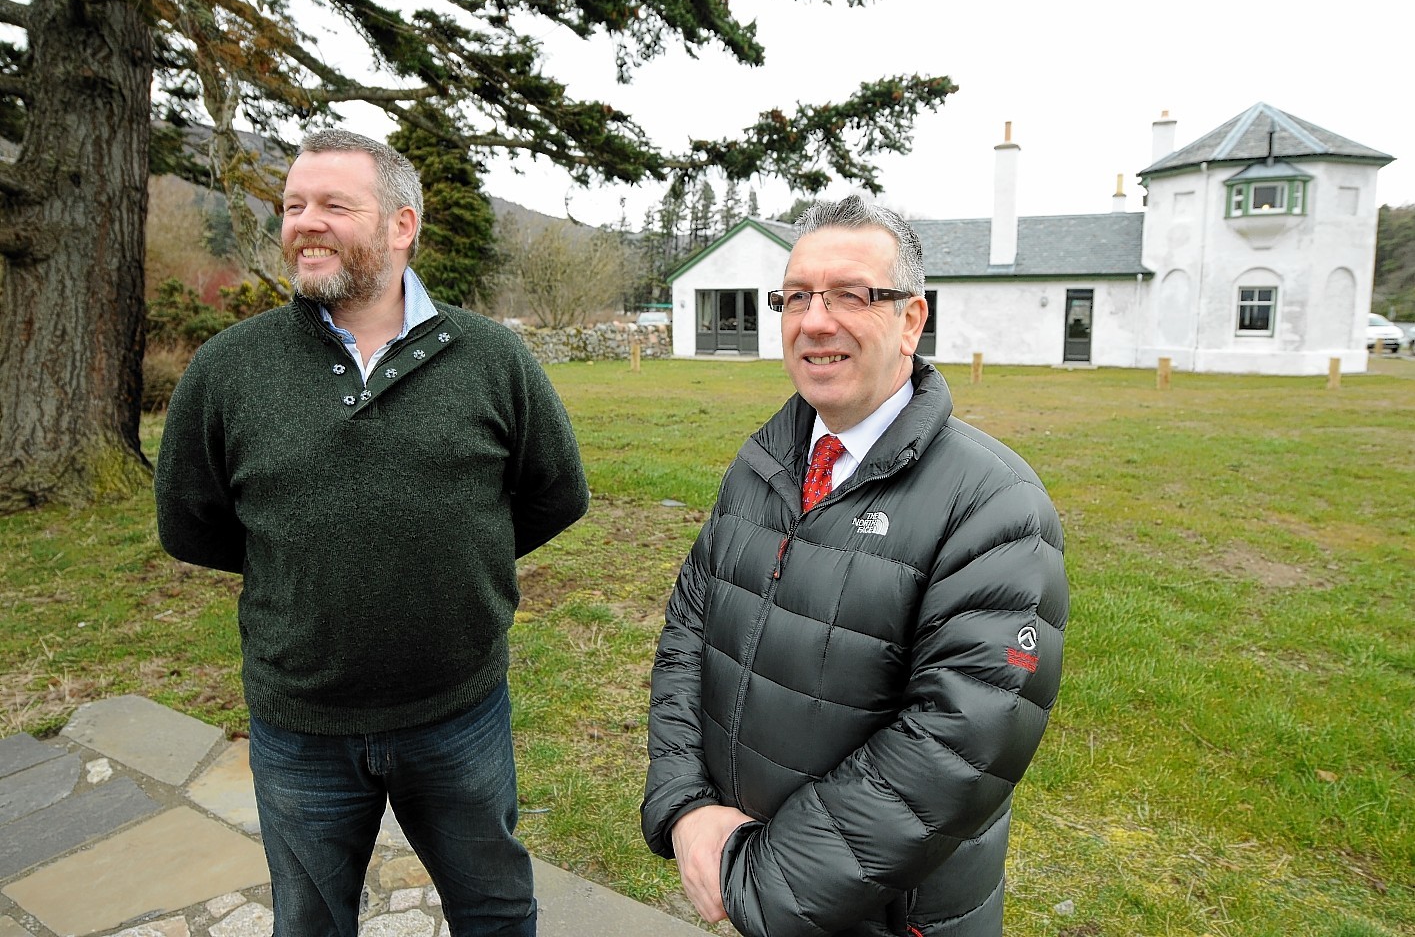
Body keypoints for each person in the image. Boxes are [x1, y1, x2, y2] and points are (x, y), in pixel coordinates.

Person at [155, 130, 589, 936]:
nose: (303, 223)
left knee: (494, 908)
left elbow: (553, 496)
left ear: (401, 225)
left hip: (459, 710)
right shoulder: (225, 369)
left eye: (333, 205)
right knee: (311, 923)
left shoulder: (492, 358)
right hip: (300, 724)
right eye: (292, 206)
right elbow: (193, 525)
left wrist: (460, 561)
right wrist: (307, 566)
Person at [641, 196, 1068, 937]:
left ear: (910, 319)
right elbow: (687, 636)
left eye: (850, 295)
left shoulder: (993, 505)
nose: (814, 321)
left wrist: (759, 879)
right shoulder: (760, 467)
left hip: (885, 912)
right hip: (753, 874)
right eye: (796, 297)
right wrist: (685, 806)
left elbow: (958, 745)